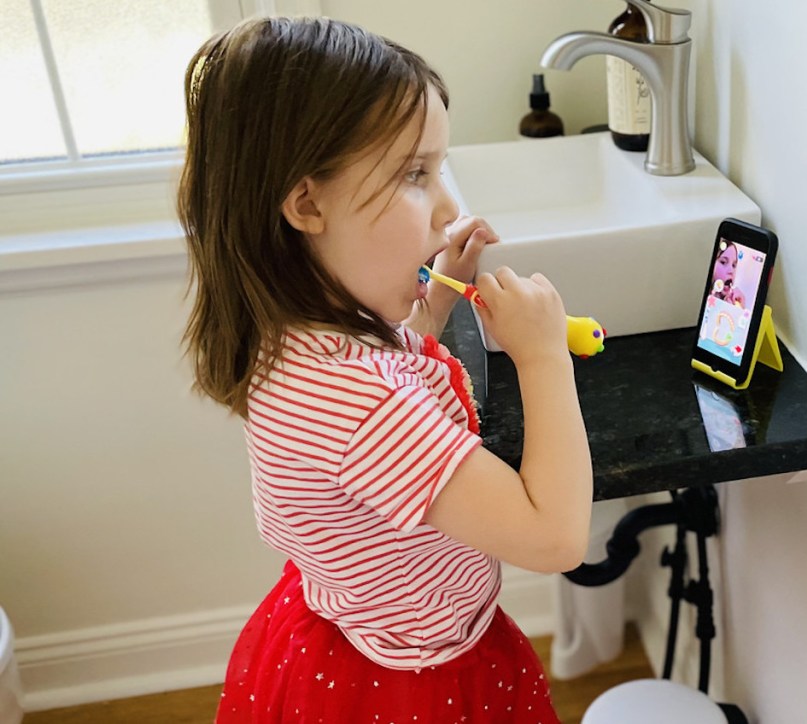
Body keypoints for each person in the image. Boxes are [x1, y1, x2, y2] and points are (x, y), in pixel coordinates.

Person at [177, 16, 593, 724]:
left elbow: (390, 364)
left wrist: (431, 301)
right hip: (410, 686)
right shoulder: (361, 404)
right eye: (414, 174)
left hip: (342, 632)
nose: (449, 206)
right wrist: (544, 355)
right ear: (307, 203)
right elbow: (554, 536)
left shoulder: (303, 336)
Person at [711, 240, 746, 308]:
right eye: (723, 262)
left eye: (733, 265)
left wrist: (739, 311)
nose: (731, 271)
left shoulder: (736, 303)